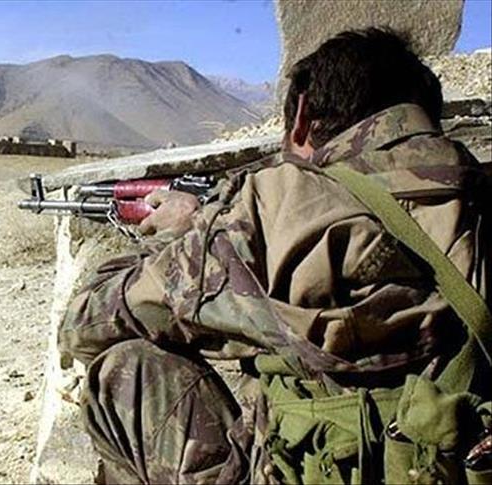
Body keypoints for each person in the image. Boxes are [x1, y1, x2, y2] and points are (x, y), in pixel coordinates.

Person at [59, 28, 490, 484]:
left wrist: (179, 234)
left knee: (125, 371)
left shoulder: (280, 207)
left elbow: (84, 324)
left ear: (301, 117)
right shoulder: (478, 194)